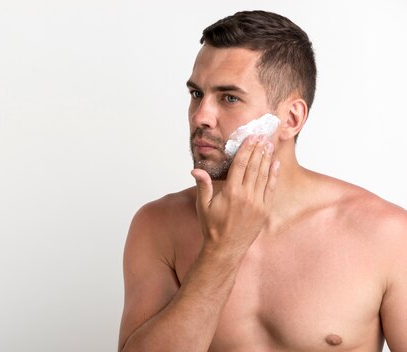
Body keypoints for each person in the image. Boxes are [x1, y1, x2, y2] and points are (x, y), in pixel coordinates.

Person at [118, 10, 407, 352]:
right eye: (197, 94)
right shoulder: (158, 225)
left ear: (291, 118)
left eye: (229, 97)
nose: (201, 116)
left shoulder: (385, 234)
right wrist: (221, 251)